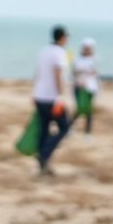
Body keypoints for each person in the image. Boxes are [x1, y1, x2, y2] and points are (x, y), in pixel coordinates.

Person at [31, 25, 73, 176]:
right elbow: (58, 74)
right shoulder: (60, 53)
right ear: (62, 37)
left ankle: (43, 165)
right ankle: (44, 154)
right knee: (65, 127)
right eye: (67, 37)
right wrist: (60, 96)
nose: (67, 39)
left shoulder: (44, 51)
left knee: (44, 129)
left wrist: (33, 92)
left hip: (39, 96)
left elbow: (38, 72)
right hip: (52, 98)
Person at [71, 38, 99, 134]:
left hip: (90, 87)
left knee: (88, 110)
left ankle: (87, 132)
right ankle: (71, 127)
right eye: (85, 48)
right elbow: (74, 72)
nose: (86, 50)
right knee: (79, 108)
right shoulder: (78, 59)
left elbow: (94, 72)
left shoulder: (94, 59)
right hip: (79, 86)